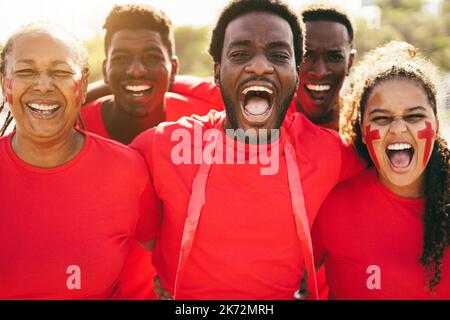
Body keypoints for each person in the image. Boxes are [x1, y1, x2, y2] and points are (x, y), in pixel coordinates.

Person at [131, 0, 365, 300]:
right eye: (240, 54)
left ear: (296, 74)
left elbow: (384, 177)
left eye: (278, 55)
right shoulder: (163, 145)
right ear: (217, 72)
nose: (259, 65)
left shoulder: (328, 151)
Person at [0, 22, 159, 299]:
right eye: (26, 71)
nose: (44, 86)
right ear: (5, 85)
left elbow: (167, 254)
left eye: (61, 72)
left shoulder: (126, 171)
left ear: (82, 87)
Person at [312, 41, 450, 299]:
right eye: (382, 119)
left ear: (436, 124)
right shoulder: (332, 204)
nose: (398, 129)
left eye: (414, 116)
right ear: (364, 132)